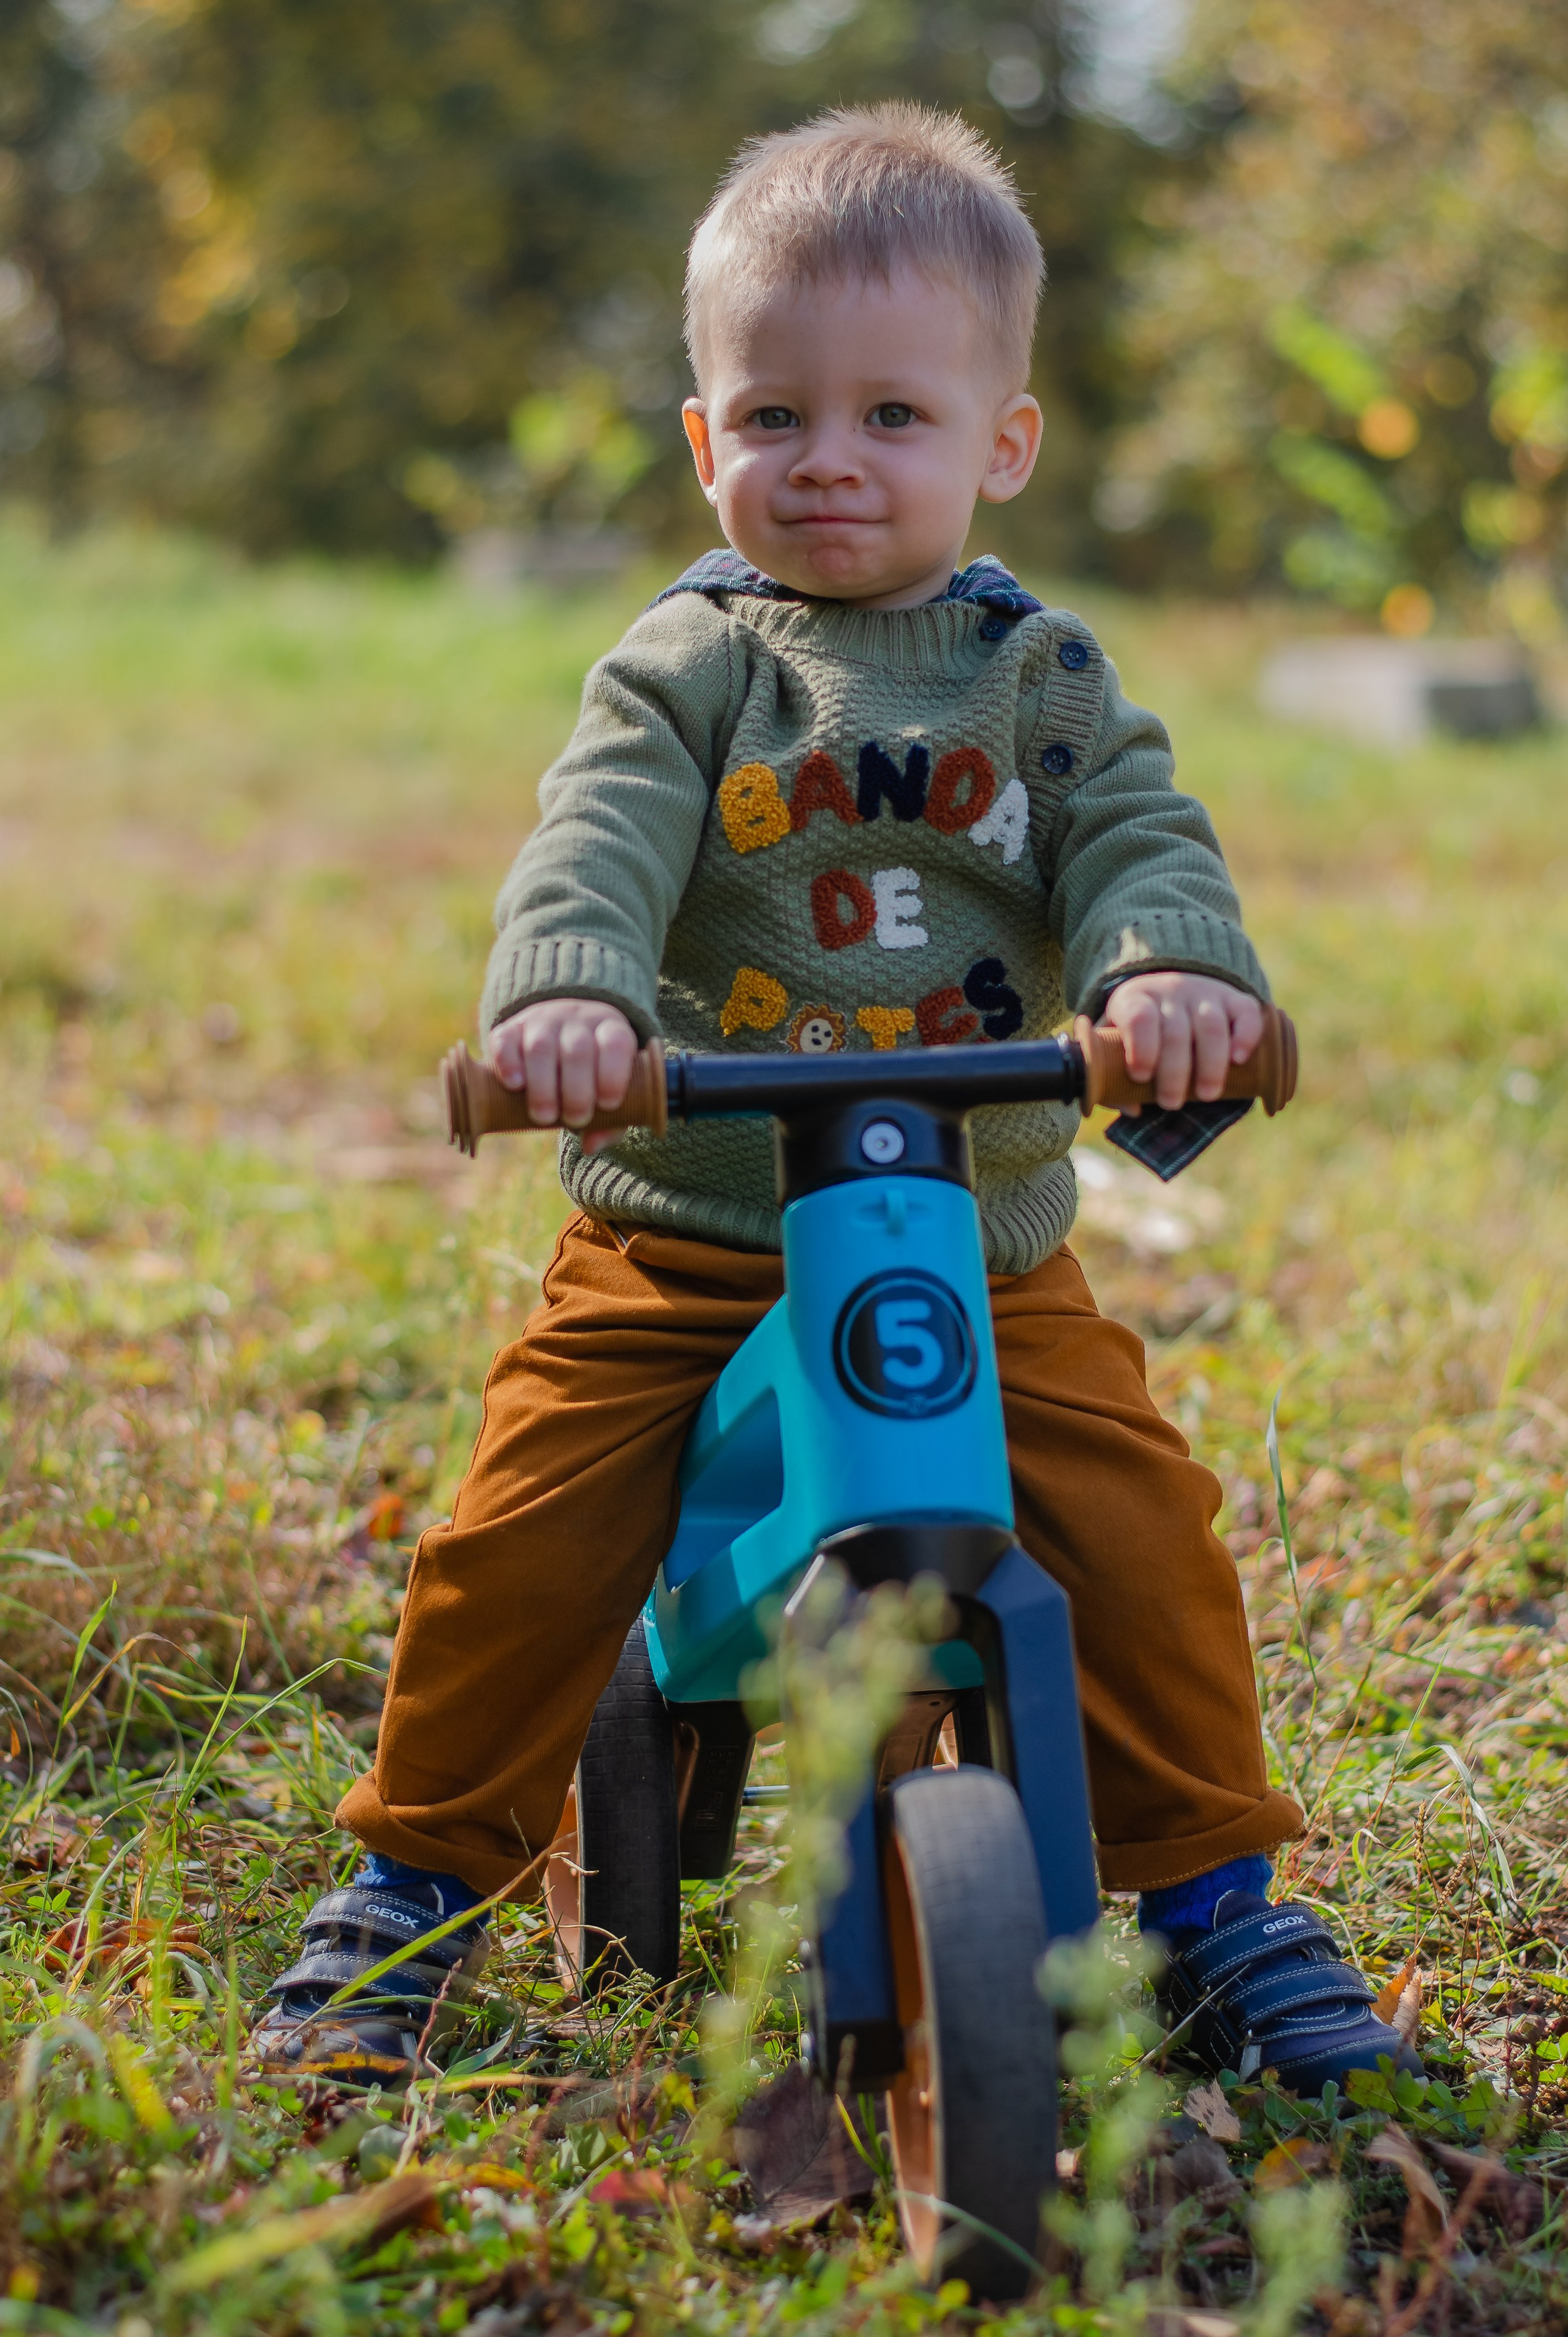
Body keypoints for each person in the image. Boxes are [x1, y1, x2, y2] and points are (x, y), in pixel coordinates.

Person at [254, 105, 1418, 2096]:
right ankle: (414, 1887)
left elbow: (1138, 830)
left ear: (1002, 444)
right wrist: (568, 997)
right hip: (686, 1228)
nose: (832, 460)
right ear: (706, 443)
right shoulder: (692, 666)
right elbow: (597, 842)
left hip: (974, 1241)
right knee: (521, 1532)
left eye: (894, 413)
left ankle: (1222, 1900)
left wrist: (1169, 967)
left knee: (1139, 1523)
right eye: (776, 413)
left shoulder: (1038, 676)